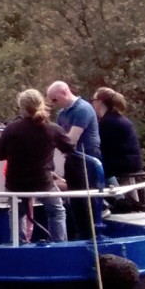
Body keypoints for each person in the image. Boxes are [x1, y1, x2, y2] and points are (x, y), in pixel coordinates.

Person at [0, 89, 75, 243]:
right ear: (41, 104)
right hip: (43, 182)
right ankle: (59, 245)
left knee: (17, 214)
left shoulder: (12, 128)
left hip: (16, 183)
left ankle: (19, 245)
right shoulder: (51, 129)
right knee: (56, 211)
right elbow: (70, 148)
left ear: (21, 107)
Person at [47, 81, 101, 238]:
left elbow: (71, 139)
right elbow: (58, 137)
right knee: (73, 197)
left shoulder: (82, 109)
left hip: (88, 157)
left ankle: (91, 234)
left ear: (64, 92)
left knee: (86, 199)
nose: (53, 104)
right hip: (72, 157)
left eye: (55, 100)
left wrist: (57, 143)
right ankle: (79, 233)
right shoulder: (62, 113)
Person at [92, 87, 144, 209]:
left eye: (93, 100)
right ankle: (119, 199)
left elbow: (101, 146)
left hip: (124, 162)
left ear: (100, 102)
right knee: (98, 166)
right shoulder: (115, 119)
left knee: (90, 170)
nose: (92, 103)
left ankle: (114, 203)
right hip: (130, 161)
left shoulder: (108, 122)